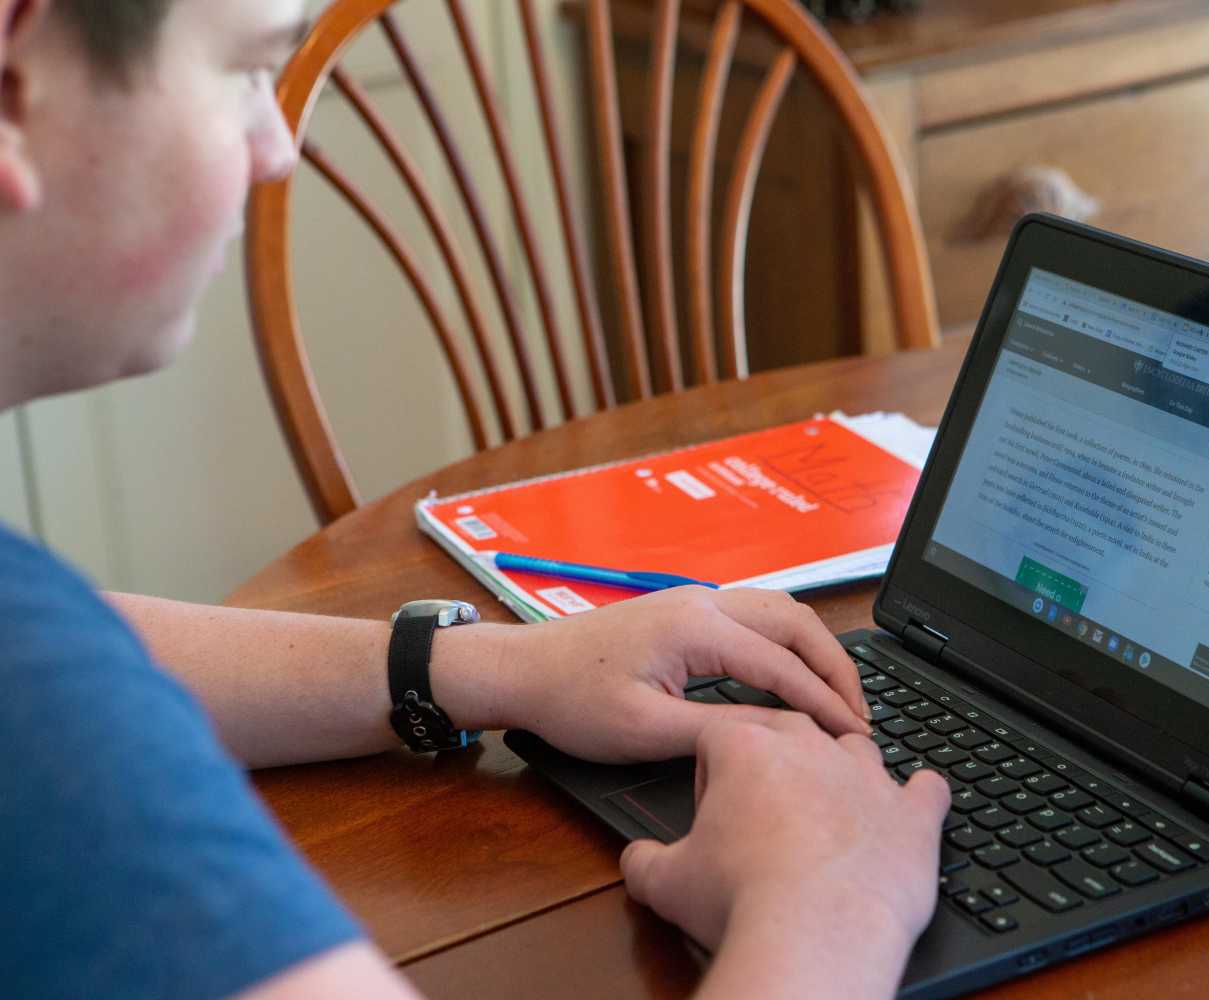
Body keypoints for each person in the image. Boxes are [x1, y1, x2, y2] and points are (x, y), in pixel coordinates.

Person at [0, 1, 950, 998]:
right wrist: (832, 907)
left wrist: (501, 667)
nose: (277, 149)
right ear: (16, 90)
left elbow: (74, 638)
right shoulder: (46, 726)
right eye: (245, 71)